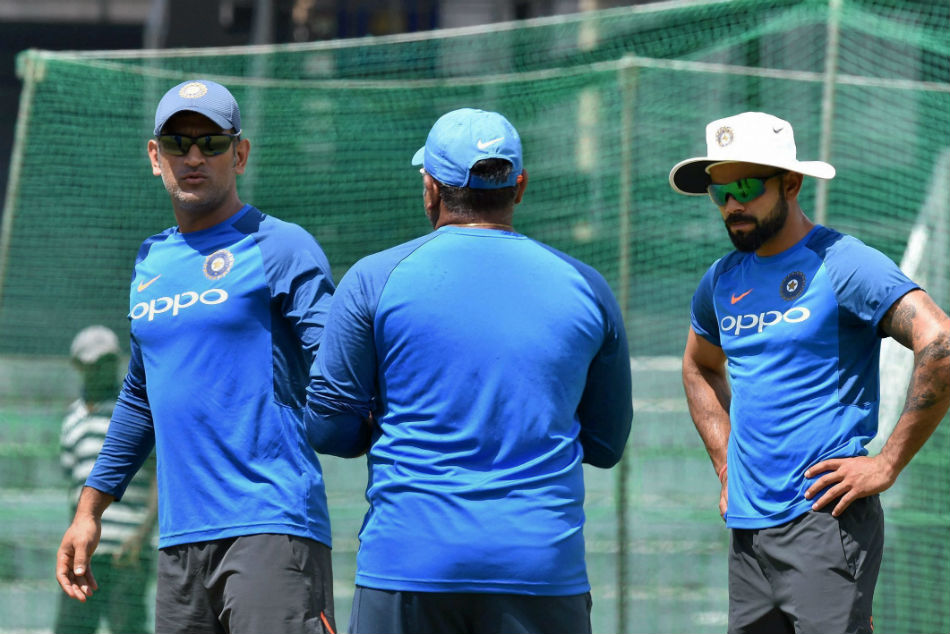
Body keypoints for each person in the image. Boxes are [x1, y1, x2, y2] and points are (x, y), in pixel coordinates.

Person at [306, 107, 633, 634]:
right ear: (519, 187)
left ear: (431, 189)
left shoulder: (374, 279)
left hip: (409, 563)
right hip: (541, 568)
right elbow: (605, 444)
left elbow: (328, 429)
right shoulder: (587, 286)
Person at [55, 79, 338, 634]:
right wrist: (89, 511)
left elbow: (338, 368)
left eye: (211, 143)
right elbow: (140, 397)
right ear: (153, 156)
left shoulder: (282, 246)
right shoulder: (150, 261)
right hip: (180, 540)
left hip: (270, 525)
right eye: (177, 143)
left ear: (240, 153)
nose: (193, 157)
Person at [672, 111, 950, 634]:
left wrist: (887, 463)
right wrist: (727, 466)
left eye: (746, 187)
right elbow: (699, 366)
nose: (732, 205)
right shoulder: (721, 279)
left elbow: (941, 342)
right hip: (748, 534)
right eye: (719, 193)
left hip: (825, 523)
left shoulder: (843, 263)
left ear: (791, 183)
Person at [55, 325, 157, 634]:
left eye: (108, 361)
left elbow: (158, 477)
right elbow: (74, 490)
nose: (103, 370)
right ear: (79, 365)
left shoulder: (134, 414)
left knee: (128, 627)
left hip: (126, 551)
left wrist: (141, 536)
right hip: (85, 552)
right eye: (95, 363)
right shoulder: (72, 419)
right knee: (72, 627)